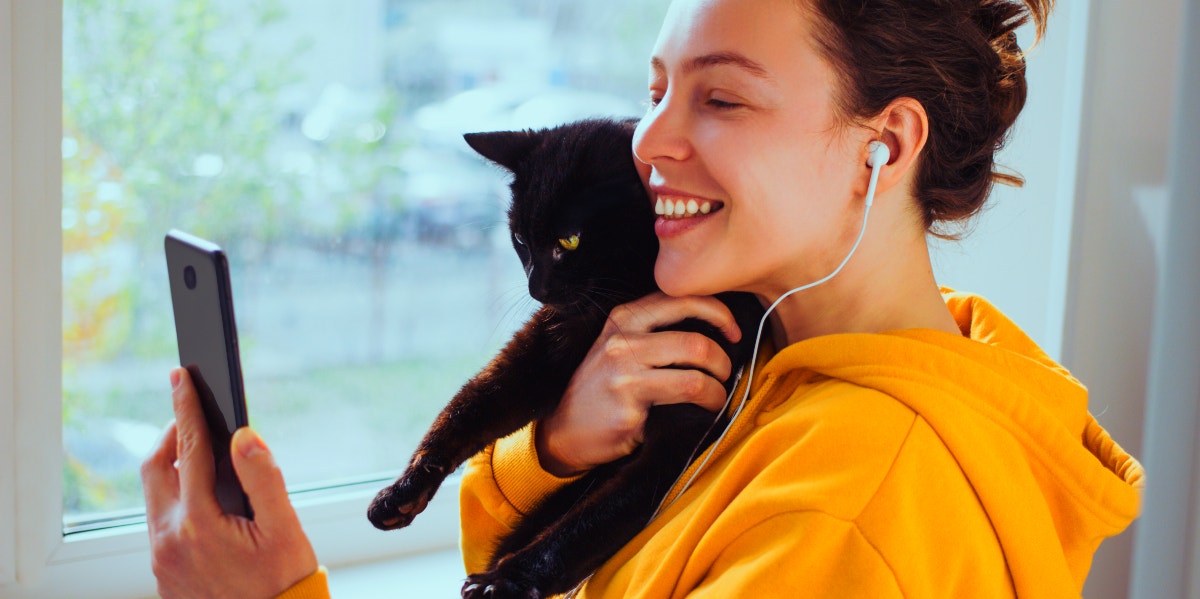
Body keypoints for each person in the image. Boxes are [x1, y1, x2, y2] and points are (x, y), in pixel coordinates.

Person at [142, 0, 1145, 596]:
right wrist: (557, 450)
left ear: (882, 144)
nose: (650, 139)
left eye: (721, 97)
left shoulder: (854, 501)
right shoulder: (778, 371)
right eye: (658, 86)